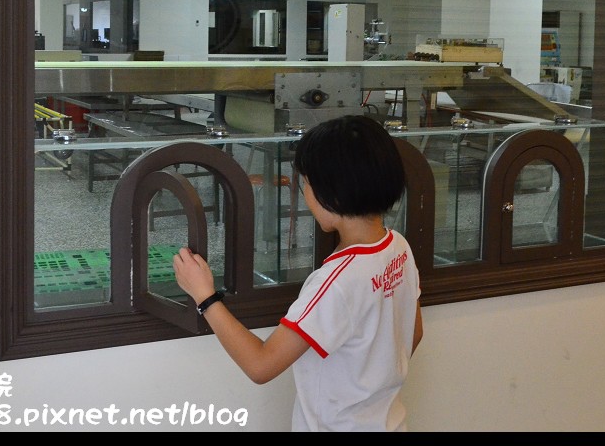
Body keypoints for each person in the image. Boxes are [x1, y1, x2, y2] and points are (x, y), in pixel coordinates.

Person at [172, 114, 423, 432]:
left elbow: (261, 365)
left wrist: (204, 296)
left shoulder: (336, 282)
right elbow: (413, 333)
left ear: (330, 192)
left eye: (305, 184)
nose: (304, 193)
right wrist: (367, 383)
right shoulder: (399, 248)